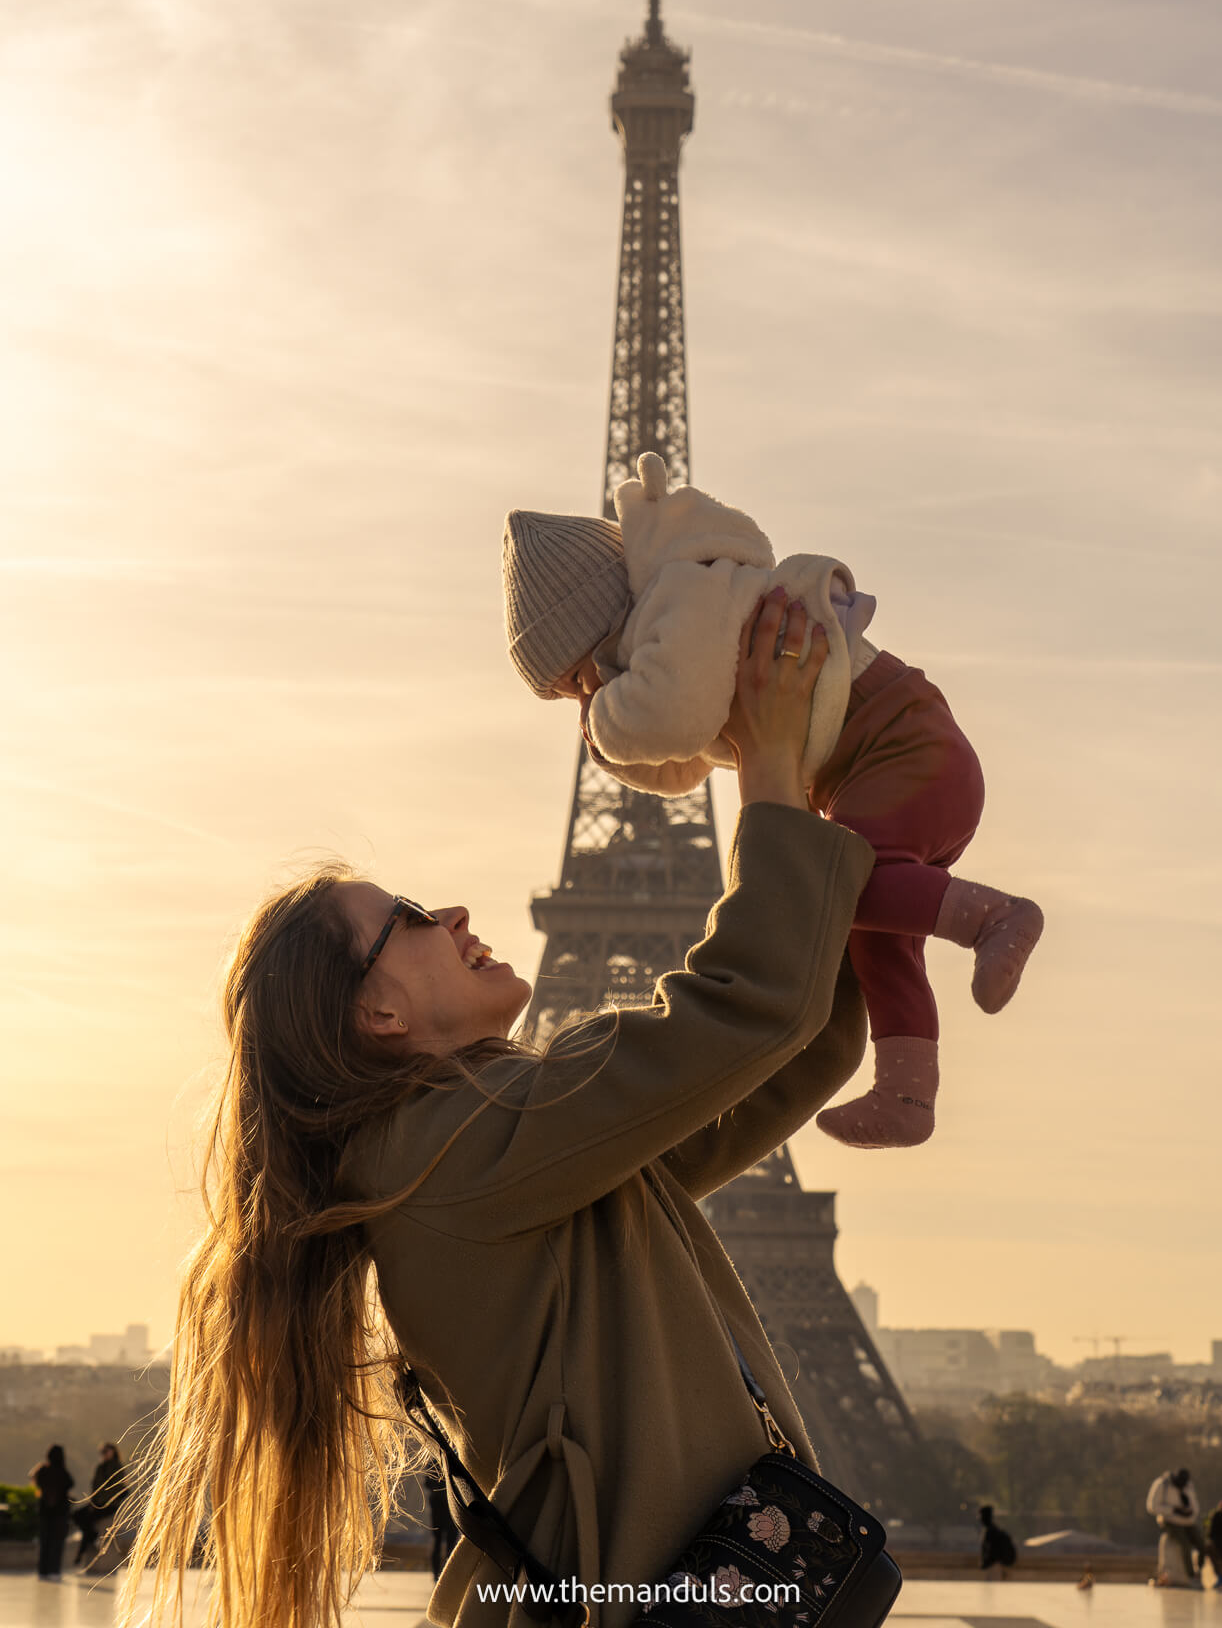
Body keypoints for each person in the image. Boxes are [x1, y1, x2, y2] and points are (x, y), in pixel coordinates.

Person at [125, 593, 880, 1628]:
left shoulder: (467, 1154)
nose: (454, 915)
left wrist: (813, 817)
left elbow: (778, 1053)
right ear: (379, 1010)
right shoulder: (465, 1139)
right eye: (407, 920)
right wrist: (769, 761)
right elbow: (756, 1011)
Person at [502, 454, 1044, 1149]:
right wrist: (617, 745)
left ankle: (992, 917)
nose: (587, 695)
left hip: (900, 748)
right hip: (885, 770)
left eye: (576, 679)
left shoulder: (683, 600)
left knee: (833, 891)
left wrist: (604, 726)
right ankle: (908, 1089)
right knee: (872, 936)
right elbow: (683, 760)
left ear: (596, 622)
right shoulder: (688, 641)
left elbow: (671, 719)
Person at [73, 1442, 128, 1569]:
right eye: (103, 1452)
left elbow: (116, 1487)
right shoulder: (100, 1467)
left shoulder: (116, 1466)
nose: (105, 1454)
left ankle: (81, 1552)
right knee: (77, 1515)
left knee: (88, 1520)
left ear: (113, 1452)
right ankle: (90, 1537)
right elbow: (95, 1487)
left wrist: (105, 1501)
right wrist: (93, 1502)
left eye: (107, 1451)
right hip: (97, 1502)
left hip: (109, 1504)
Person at [1146, 1467, 1202, 1586]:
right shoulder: (1162, 1484)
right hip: (1169, 1521)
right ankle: (1191, 1575)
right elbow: (1152, 1506)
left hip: (1188, 1522)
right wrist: (1173, 1510)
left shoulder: (1188, 1485)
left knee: (1202, 1544)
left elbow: (1195, 1505)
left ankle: (1199, 1572)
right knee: (1185, 1544)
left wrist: (1190, 1513)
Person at [30, 1443, 74, 1582]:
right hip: (60, 1512)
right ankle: (54, 1570)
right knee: (57, 1543)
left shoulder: (43, 1470)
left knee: (45, 1542)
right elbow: (70, 1484)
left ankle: (42, 1571)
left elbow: (33, 1477)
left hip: (45, 1511)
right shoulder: (63, 1472)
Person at [425, 1471, 460, 1581]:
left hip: (441, 1507)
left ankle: (438, 1574)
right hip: (451, 1507)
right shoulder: (455, 1461)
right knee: (449, 1543)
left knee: (439, 1542)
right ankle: (447, 1573)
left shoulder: (434, 1463)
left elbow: (427, 1483)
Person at [977, 1504, 1018, 1579]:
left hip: (995, 1566)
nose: (980, 1519)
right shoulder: (993, 1531)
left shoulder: (991, 1532)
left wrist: (985, 1564)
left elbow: (993, 1552)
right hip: (997, 1565)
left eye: (981, 1516)